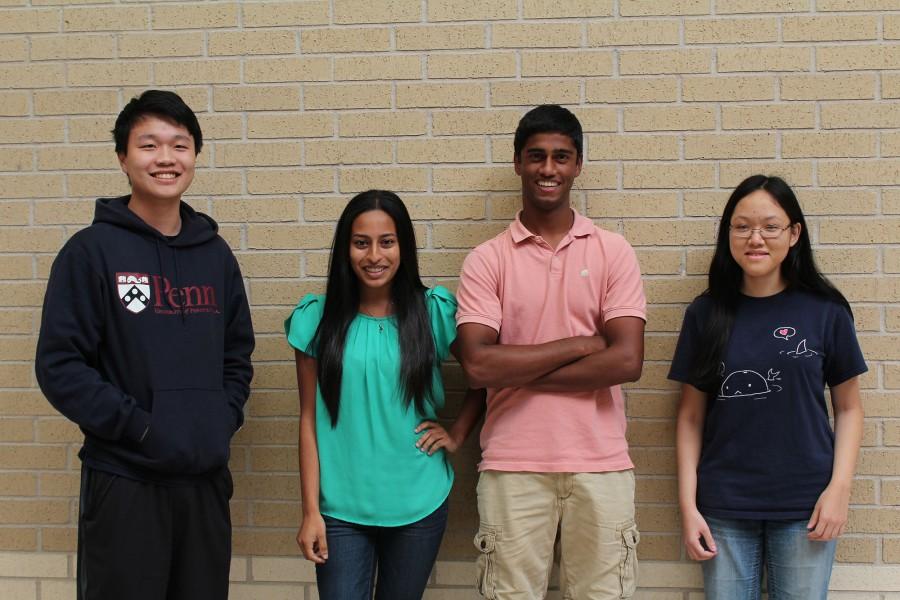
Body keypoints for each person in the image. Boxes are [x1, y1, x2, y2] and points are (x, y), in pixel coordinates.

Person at [34, 90, 255, 600]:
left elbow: (236, 355)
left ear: (194, 156)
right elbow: (61, 366)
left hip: (203, 483)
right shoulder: (90, 252)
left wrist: (219, 420)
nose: (165, 158)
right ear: (123, 158)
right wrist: (141, 427)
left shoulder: (215, 255)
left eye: (179, 145)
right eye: (148, 145)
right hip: (125, 483)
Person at [455, 105, 647, 599]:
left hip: (600, 464)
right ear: (518, 162)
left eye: (561, 157)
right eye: (536, 156)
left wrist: (512, 368)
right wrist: (581, 346)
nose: (548, 168)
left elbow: (626, 361)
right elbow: (477, 364)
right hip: (512, 465)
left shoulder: (612, 251)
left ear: (578, 165)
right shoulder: (487, 260)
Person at [670, 175, 866, 599]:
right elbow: (689, 417)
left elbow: (849, 408)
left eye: (770, 226)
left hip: (806, 506)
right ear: (728, 235)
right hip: (724, 506)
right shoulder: (706, 314)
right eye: (741, 227)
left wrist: (839, 490)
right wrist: (688, 507)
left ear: (794, 233)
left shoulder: (826, 312)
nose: (755, 238)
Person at [285, 189, 485, 600]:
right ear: (346, 249)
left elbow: (484, 374)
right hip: (340, 508)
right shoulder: (317, 320)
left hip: (418, 501)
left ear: (403, 246)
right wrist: (310, 512)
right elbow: (308, 419)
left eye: (386, 242)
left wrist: (458, 433)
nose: (374, 255)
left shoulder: (433, 312)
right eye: (361, 243)